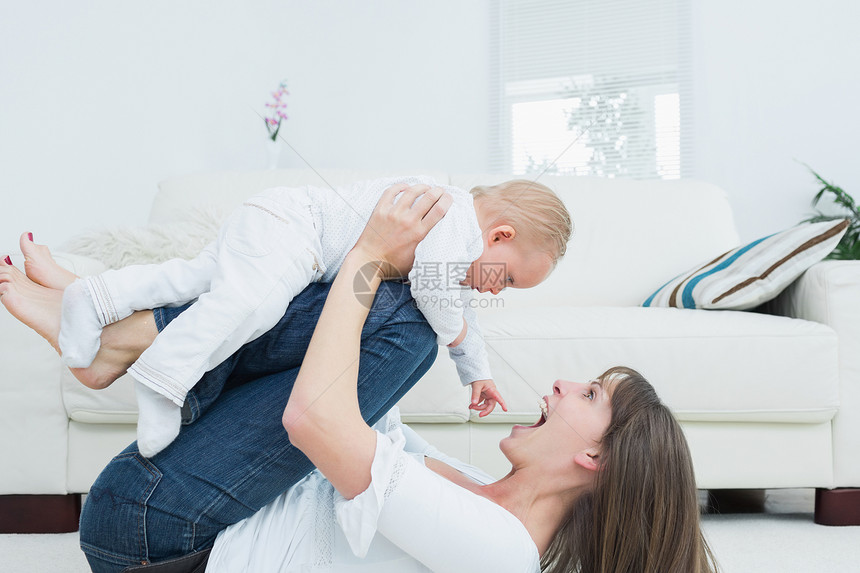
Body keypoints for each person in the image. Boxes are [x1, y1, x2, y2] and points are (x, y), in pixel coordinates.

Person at [0, 185, 718, 573]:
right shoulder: (475, 487)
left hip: (161, 536)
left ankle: (124, 332)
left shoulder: (502, 553)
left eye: (589, 395)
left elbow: (315, 420)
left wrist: (368, 256)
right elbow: (344, 401)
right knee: (404, 310)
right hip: (193, 505)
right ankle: (120, 327)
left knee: (409, 317)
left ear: (598, 456)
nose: (562, 386)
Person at [54, 175, 572, 456]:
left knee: (194, 278)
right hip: (295, 232)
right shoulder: (452, 219)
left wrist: (475, 371)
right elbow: (438, 298)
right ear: (500, 235)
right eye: (506, 278)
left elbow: (458, 308)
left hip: (277, 219)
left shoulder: (464, 238)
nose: (495, 288)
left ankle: (94, 297)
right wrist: (455, 331)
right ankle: (164, 379)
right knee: (250, 307)